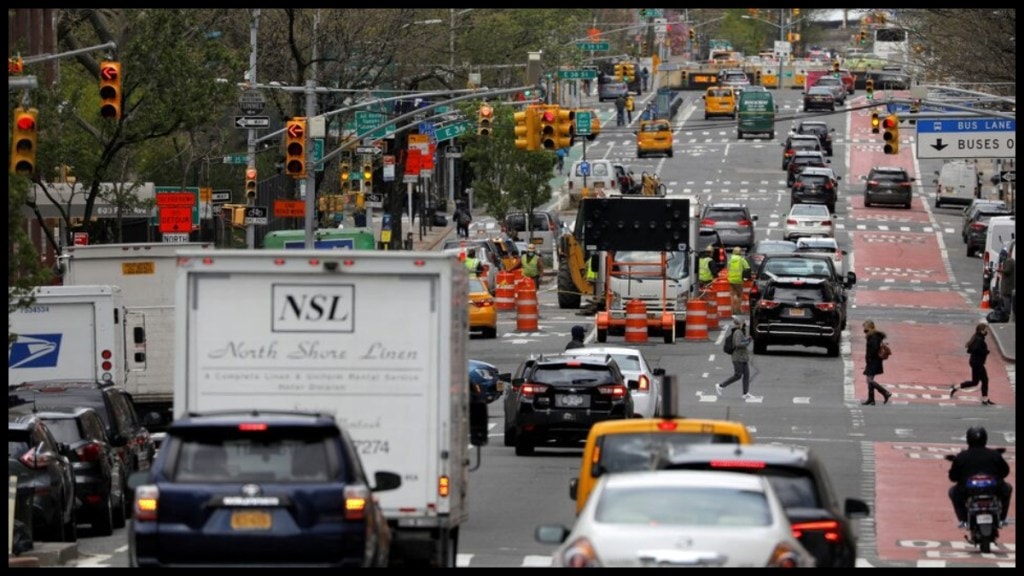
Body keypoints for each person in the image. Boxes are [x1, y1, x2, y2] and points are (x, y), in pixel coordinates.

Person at [947, 426, 1012, 528]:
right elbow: (1005, 472)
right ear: (985, 439)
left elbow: (953, 477)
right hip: (993, 489)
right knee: (1008, 489)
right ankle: (1002, 519)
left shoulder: (962, 456)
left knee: (953, 492)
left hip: (968, 490)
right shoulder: (994, 454)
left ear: (968, 440)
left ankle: (963, 520)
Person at [950, 322, 993, 404]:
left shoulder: (976, 337)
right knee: (984, 380)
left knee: (975, 382)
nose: (987, 332)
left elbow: (969, 350)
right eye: (985, 330)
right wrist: (985, 352)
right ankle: (985, 399)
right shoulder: (979, 339)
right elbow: (976, 349)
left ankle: (956, 386)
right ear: (981, 331)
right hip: (978, 363)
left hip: (975, 362)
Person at [715, 317, 756, 400]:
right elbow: (737, 344)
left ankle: (745, 393)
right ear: (740, 323)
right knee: (738, 375)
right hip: (738, 357)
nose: (744, 324)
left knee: (746, 375)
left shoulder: (740, 331)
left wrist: (746, 339)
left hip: (743, 357)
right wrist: (748, 341)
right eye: (743, 322)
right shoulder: (738, 332)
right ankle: (720, 386)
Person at [861, 320, 892, 405]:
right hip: (873, 361)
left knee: (869, 380)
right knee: (869, 379)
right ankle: (871, 399)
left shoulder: (874, 337)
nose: (864, 330)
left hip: (874, 361)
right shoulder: (872, 336)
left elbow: (874, 349)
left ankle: (885, 392)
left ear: (870, 327)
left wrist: (869, 358)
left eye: (865, 328)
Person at [726, 247, 750, 316]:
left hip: (730, 279)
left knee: (732, 294)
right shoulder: (741, 260)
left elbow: (728, 268)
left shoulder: (730, 259)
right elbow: (747, 268)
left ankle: (732, 310)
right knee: (739, 295)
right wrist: (746, 278)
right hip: (738, 280)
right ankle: (737, 310)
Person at [999, 250, 1014, 316]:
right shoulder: (1009, 261)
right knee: (1008, 298)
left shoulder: (1009, 261)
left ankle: (1007, 313)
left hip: (1008, 284)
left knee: (1007, 298)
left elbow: (1007, 271)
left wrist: (1000, 270)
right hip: (1009, 284)